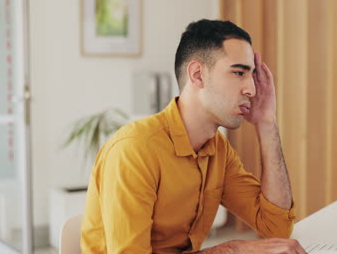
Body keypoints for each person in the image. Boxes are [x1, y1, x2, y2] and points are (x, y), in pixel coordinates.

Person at [80, 19, 306, 254]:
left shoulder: (218, 150)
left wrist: (267, 122)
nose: (251, 89)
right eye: (239, 73)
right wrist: (232, 250)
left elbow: (277, 227)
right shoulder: (134, 150)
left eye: (251, 75)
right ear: (198, 75)